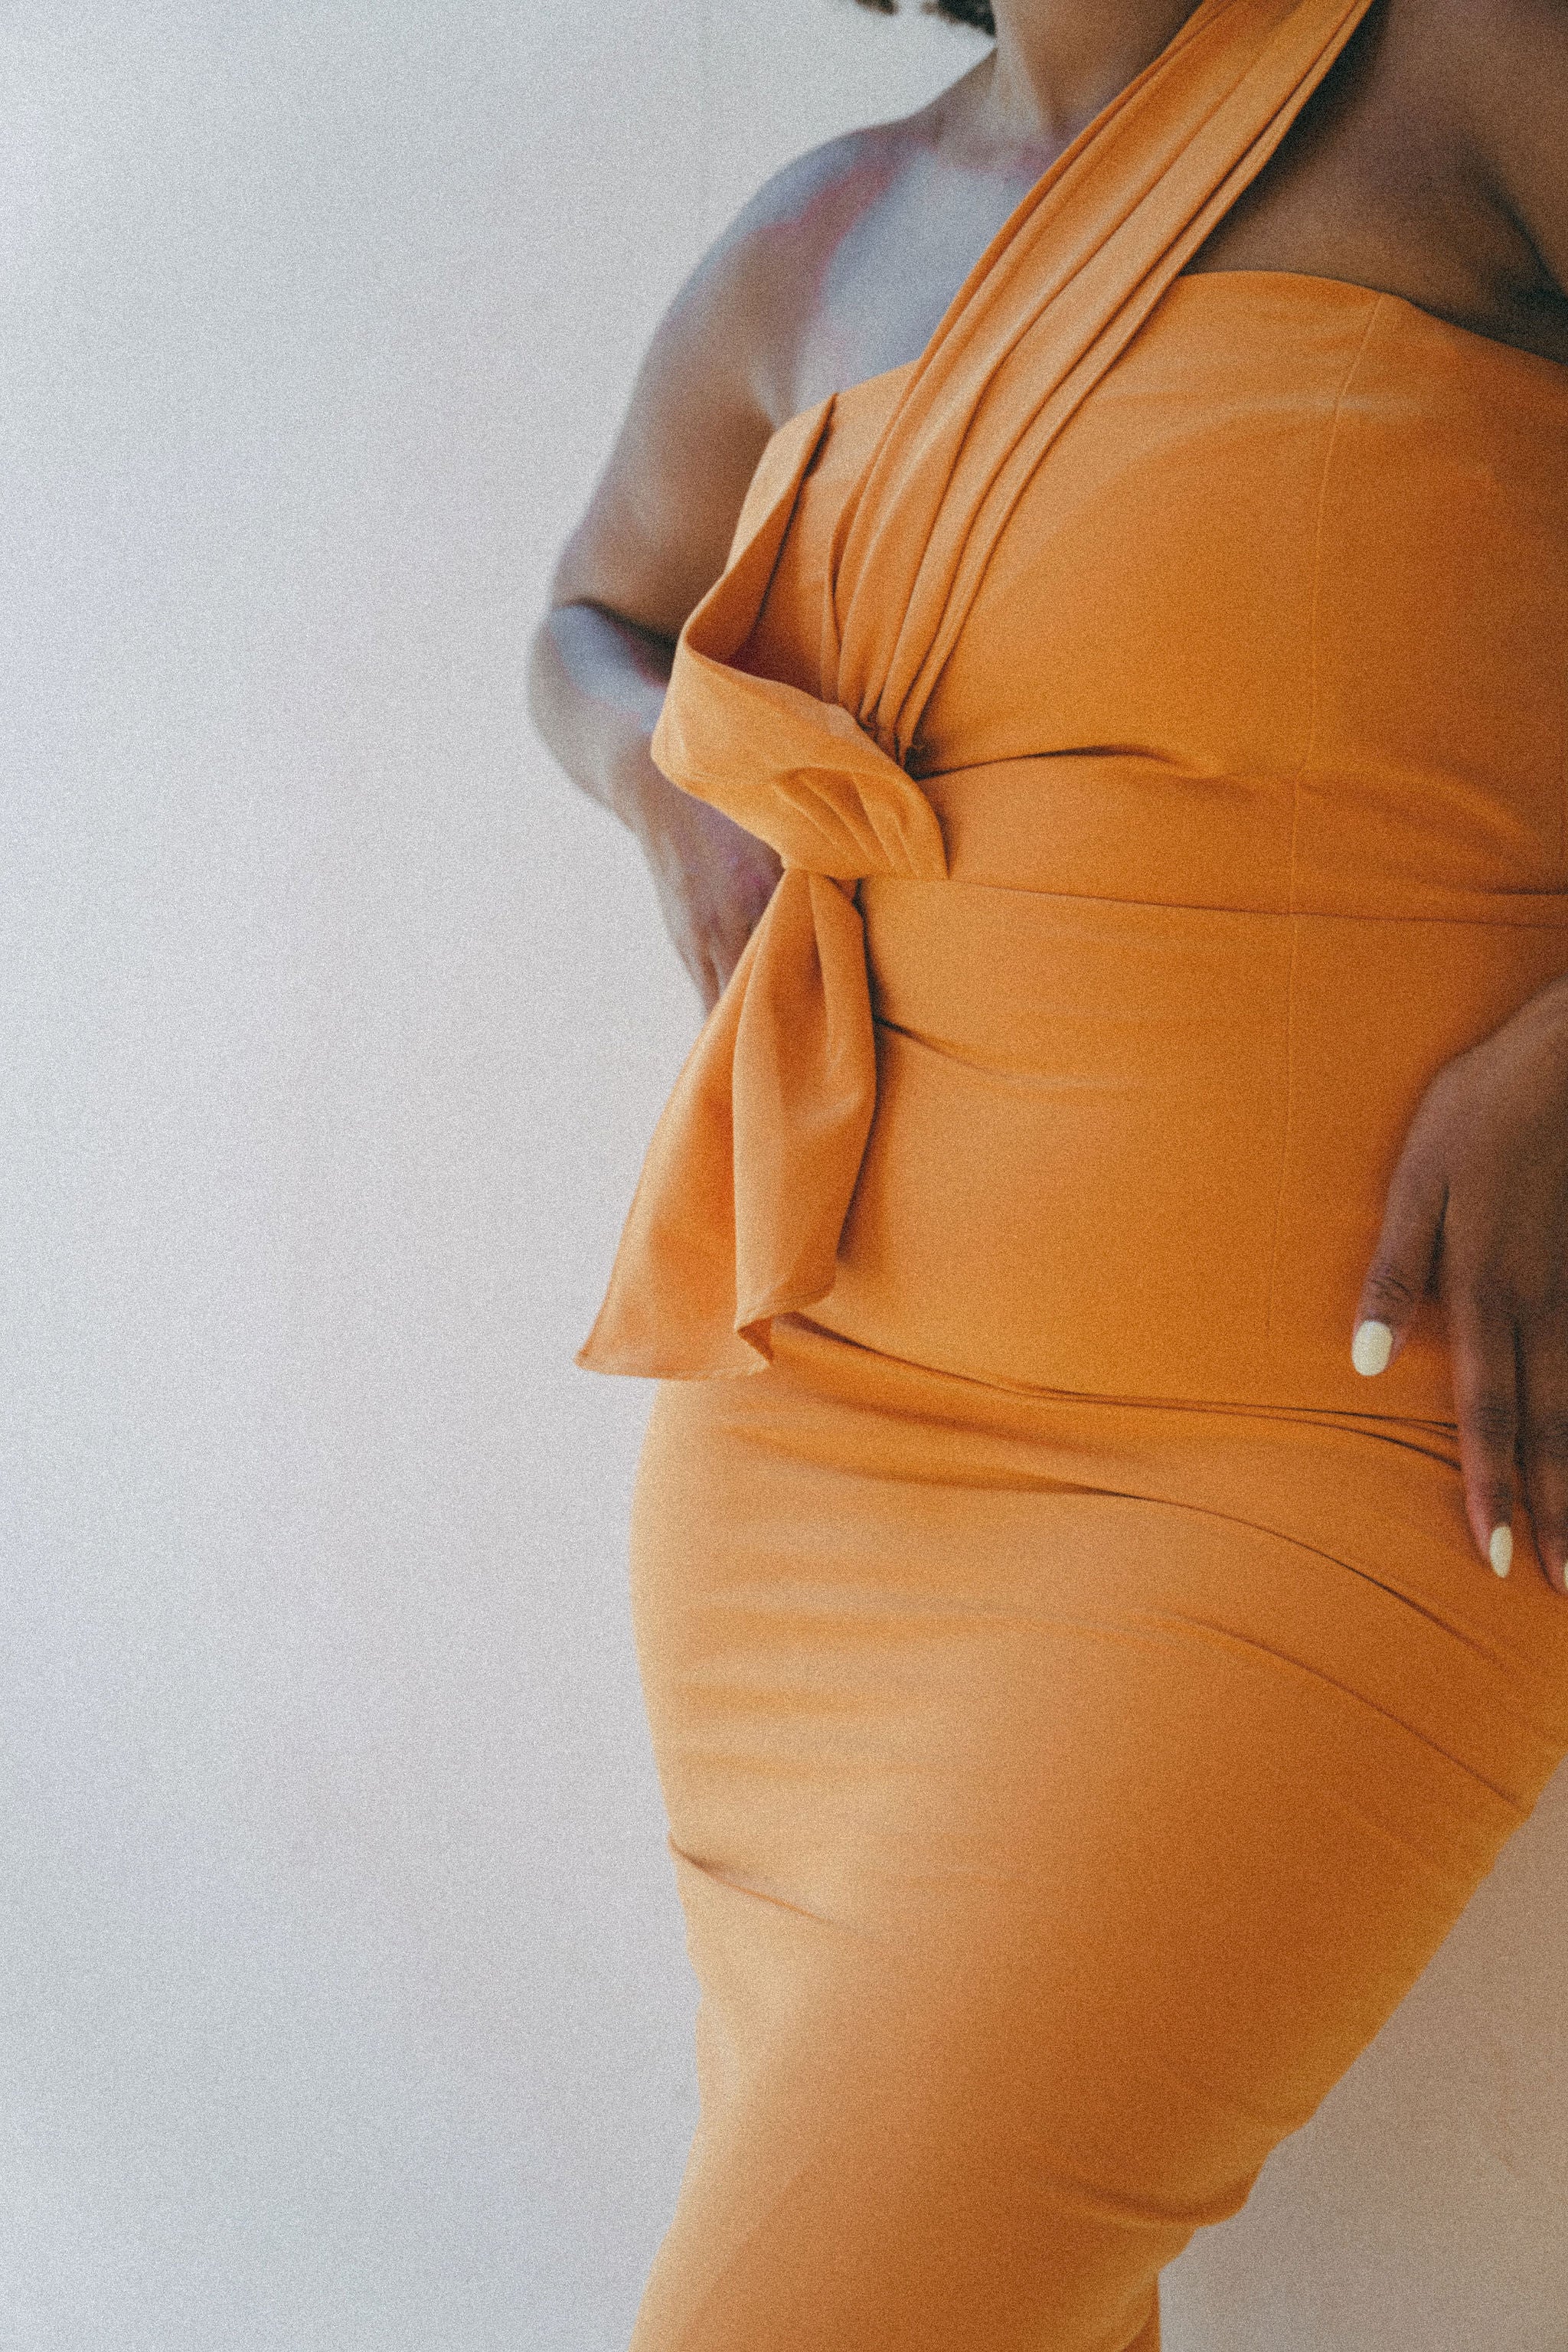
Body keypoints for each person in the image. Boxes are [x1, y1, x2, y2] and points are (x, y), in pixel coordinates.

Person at [526, 2, 1568, 2344]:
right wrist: (657, 783)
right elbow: (583, 617)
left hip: (1329, 1465)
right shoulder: (821, 230)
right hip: (809, 1444)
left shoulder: (1479, 75)